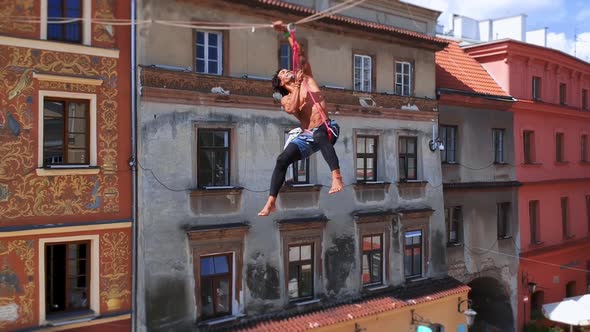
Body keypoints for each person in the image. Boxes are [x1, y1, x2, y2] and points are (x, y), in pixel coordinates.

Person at [258, 21, 343, 217]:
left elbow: (301, 56)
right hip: (307, 135)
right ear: (281, 83)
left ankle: (336, 176)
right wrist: (295, 86)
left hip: (327, 128)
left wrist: (288, 35)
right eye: (282, 73)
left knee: (321, 134)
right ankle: (271, 202)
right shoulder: (286, 98)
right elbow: (294, 107)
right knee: (282, 160)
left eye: (286, 69)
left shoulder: (308, 79)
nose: (286, 70)